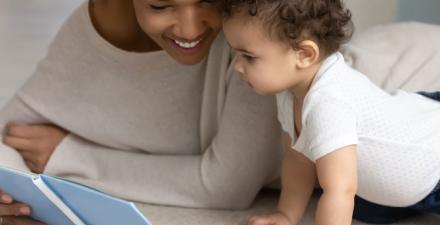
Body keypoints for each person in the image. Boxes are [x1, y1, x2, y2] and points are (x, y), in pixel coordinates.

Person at [0, 0, 283, 224]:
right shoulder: (105, 18)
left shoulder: (255, 26)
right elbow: (8, 130)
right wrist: (10, 197)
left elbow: (227, 185)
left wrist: (69, 157)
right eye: (160, 6)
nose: (189, 29)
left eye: (209, 1)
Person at [220, 0, 440, 224]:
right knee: (368, 209)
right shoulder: (290, 91)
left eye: (248, 56)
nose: (237, 65)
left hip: (433, 151)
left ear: (305, 54)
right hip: (403, 176)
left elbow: (339, 190)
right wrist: (286, 215)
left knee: (344, 198)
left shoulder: (329, 105)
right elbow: (298, 160)